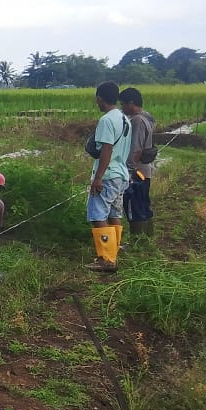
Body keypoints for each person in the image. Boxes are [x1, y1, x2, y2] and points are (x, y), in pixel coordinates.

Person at [86, 81, 131, 272]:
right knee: (114, 213)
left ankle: (106, 259)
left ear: (99, 98)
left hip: (108, 175)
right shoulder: (123, 118)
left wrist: (98, 178)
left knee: (98, 214)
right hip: (121, 175)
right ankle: (114, 250)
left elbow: (106, 149)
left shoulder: (106, 120)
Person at [119, 87, 156, 238]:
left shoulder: (138, 121)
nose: (122, 108)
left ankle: (138, 242)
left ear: (132, 103)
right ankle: (147, 239)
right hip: (144, 171)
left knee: (134, 207)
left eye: (123, 104)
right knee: (143, 206)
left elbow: (136, 149)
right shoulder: (147, 117)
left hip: (137, 171)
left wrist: (129, 170)